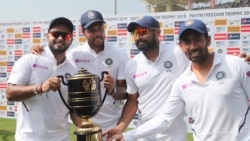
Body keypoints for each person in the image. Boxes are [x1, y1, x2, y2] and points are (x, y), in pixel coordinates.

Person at [103, 19, 250, 141]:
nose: (193, 46)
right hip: (147, 130)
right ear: (181, 46)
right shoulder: (181, 83)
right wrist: (125, 134)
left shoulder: (236, 65)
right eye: (187, 42)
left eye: (198, 39)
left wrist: (242, 61)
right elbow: (163, 117)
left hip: (175, 134)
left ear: (208, 40)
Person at [30, 10, 129, 133]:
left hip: (113, 124)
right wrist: (39, 51)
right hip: (84, 124)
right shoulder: (74, 55)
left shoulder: (120, 55)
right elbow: (54, 59)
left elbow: (125, 93)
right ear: (84, 33)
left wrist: (113, 90)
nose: (98, 33)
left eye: (100, 29)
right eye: (92, 30)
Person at [105, 15, 190, 141]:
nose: (138, 37)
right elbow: (132, 101)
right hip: (145, 131)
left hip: (173, 132)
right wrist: (120, 127)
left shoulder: (178, 53)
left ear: (157, 32)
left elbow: (203, 64)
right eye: (135, 33)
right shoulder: (132, 65)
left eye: (143, 32)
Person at [6, 17, 82, 141]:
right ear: (47, 36)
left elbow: (72, 108)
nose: (60, 38)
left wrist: (86, 127)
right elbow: (10, 93)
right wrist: (40, 88)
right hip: (29, 138)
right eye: (56, 34)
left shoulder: (73, 71)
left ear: (71, 39)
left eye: (66, 35)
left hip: (61, 138)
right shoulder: (30, 59)